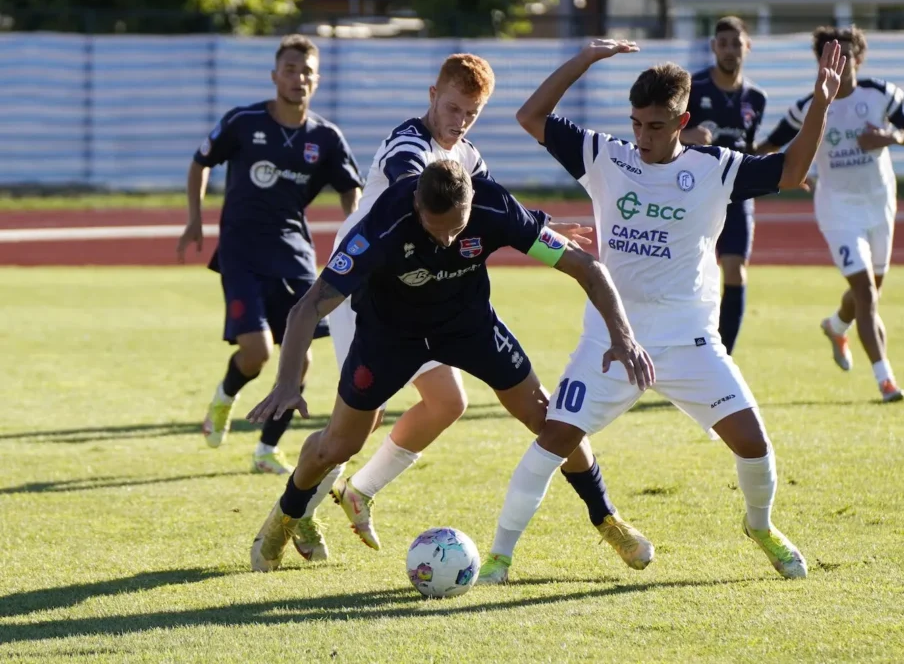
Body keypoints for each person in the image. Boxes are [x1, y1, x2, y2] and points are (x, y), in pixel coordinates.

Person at [476, 38, 849, 584]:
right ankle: (500, 557)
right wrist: (584, 58)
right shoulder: (606, 156)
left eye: (654, 126)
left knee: (753, 443)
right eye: (636, 123)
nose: (642, 137)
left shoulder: (715, 169)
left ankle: (760, 527)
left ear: (682, 121)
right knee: (554, 439)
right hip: (610, 339)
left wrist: (821, 101)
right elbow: (531, 116)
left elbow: (792, 172)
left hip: (689, 340)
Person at [246, 160, 656, 573]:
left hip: (468, 327)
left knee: (551, 418)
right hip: (389, 337)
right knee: (339, 445)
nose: (445, 239)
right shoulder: (383, 223)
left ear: (472, 201)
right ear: (416, 204)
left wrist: (623, 338)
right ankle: (285, 516)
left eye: (457, 228)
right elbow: (308, 307)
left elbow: (587, 267)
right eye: (434, 227)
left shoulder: (494, 206)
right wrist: (285, 384)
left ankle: (607, 518)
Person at [320, 54, 622, 558]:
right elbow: (409, 187)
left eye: (471, 113)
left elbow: (493, 207)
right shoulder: (408, 145)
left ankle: (359, 491)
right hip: (362, 290)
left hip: (425, 294)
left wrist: (542, 226)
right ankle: (301, 510)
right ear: (433, 93)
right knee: (357, 422)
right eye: (453, 107)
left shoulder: (469, 155)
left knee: (448, 403)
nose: (459, 121)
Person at [177, 34, 363, 474]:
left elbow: (351, 188)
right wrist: (194, 217)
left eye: (307, 73)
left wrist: (354, 234)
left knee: (302, 356)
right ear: (275, 75)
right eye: (291, 70)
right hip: (241, 251)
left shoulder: (327, 137)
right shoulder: (243, 122)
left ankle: (266, 450)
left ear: (317, 81)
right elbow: (201, 161)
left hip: (294, 253)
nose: (299, 78)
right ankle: (224, 397)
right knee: (257, 352)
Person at [756, 25, 904, 403]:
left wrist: (892, 137)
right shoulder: (808, 106)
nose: (839, 61)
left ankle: (836, 326)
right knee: (866, 292)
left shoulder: (881, 94)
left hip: (880, 203)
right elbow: (767, 146)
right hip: (837, 208)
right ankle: (886, 381)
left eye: (846, 54)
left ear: (859, 58)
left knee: (868, 292)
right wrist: (785, 173)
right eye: (829, 55)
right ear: (820, 62)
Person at [681, 16, 767, 356]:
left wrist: (785, 170)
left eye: (737, 43)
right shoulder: (692, 87)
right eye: (724, 43)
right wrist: (687, 136)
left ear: (748, 46)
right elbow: (660, 132)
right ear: (714, 47)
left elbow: (751, 149)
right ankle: (679, 348)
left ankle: (721, 356)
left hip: (736, 195)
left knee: (735, 271)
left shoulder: (757, 99)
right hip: (693, 193)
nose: (730, 50)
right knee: (689, 276)